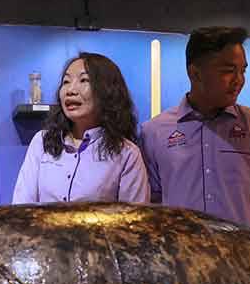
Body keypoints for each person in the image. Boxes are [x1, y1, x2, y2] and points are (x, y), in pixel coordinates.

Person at [140, 26, 250, 228]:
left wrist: (246, 238)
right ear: (195, 73)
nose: (239, 80)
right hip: (181, 248)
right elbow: (152, 205)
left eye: (243, 70)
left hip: (240, 249)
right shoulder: (153, 132)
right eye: (228, 71)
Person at [12, 52, 149, 204]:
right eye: (66, 82)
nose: (70, 90)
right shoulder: (42, 141)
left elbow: (134, 216)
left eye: (84, 80)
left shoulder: (127, 153)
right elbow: (21, 207)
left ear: (107, 91)